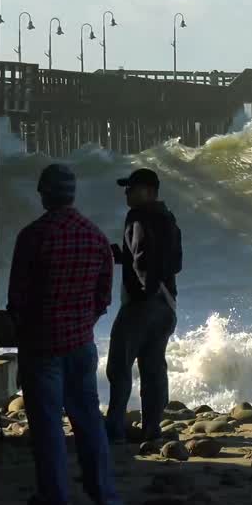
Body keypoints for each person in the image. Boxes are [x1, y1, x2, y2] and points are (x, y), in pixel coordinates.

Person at [8, 164, 120, 505]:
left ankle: (56, 501)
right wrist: (83, 322)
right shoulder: (95, 236)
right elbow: (104, 297)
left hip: (42, 348)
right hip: (82, 346)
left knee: (48, 429)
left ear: (44, 193)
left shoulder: (33, 236)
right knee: (89, 422)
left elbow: (18, 299)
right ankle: (105, 498)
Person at [105, 167, 182, 444]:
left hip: (142, 305)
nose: (126, 193)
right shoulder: (168, 218)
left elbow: (141, 258)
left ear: (148, 191)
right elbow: (175, 263)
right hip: (167, 304)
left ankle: (113, 427)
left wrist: (143, 291)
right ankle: (152, 428)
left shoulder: (137, 217)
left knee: (119, 366)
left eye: (132, 188)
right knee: (153, 369)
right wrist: (122, 257)